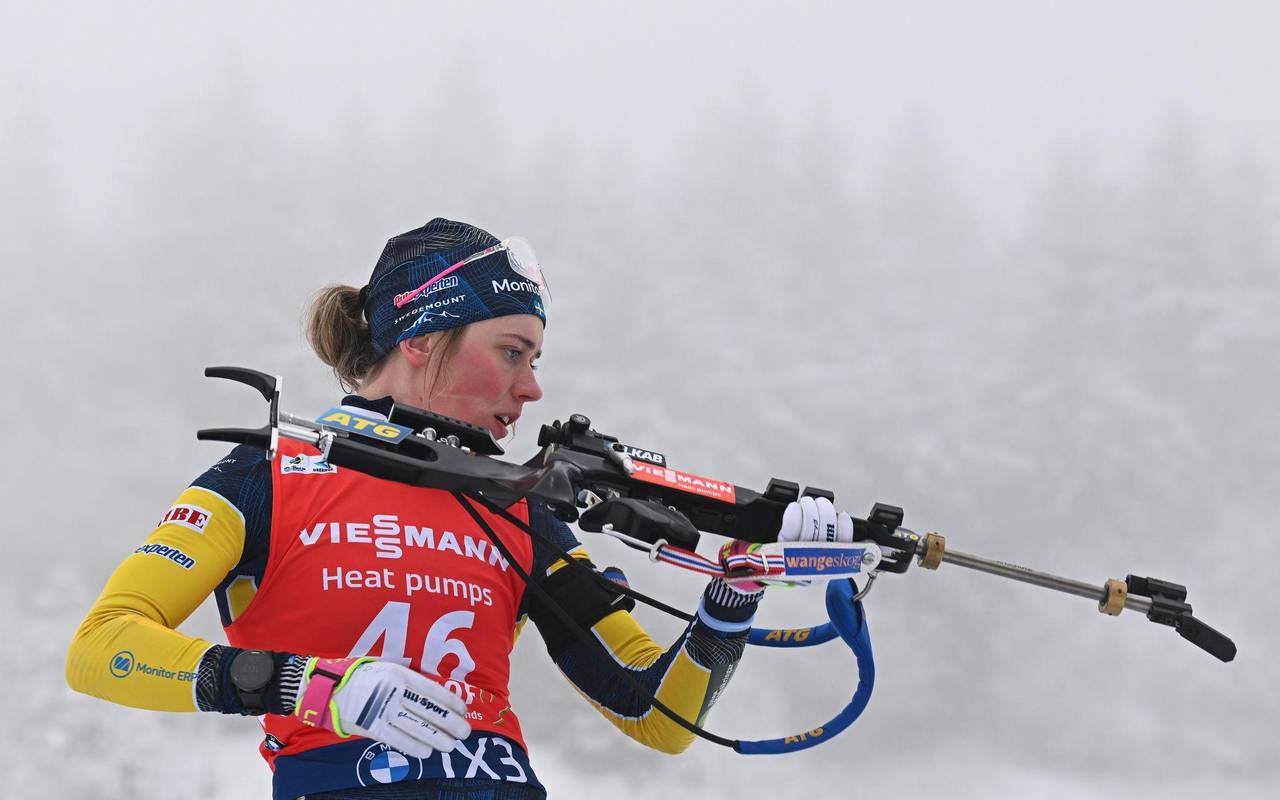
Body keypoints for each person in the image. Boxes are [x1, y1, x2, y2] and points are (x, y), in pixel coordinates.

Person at [66, 218, 854, 799]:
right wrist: (309, 687)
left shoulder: (514, 506)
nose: (533, 387)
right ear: (421, 337)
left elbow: (658, 715)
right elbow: (101, 649)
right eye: (512, 352)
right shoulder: (270, 473)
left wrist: (731, 602)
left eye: (537, 360)